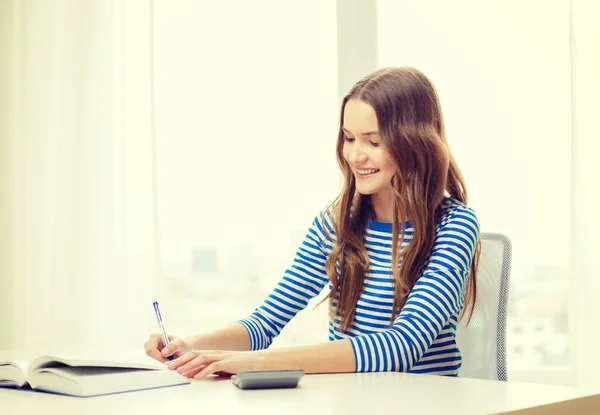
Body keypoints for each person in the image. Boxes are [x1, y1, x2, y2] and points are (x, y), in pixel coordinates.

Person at [144, 66, 480, 379]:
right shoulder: (335, 224)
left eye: (373, 142)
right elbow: (264, 323)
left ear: (415, 144)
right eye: (349, 138)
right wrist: (192, 346)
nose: (355, 155)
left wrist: (257, 364)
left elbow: (401, 346)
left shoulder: (454, 227)